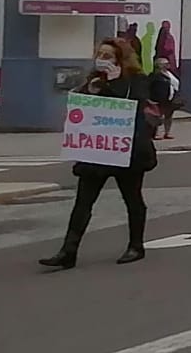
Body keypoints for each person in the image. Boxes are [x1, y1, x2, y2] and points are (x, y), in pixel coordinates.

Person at [38, 38, 161, 267]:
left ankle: (136, 246)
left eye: (108, 56)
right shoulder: (94, 79)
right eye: (100, 54)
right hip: (97, 151)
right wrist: (89, 90)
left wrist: (114, 83)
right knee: (83, 202)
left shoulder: (136, 79)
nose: (102, 59)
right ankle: (68, 251)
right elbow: (83, 108)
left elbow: (133, 104)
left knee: (132, 199)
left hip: (127, 151)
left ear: (120, 59)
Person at [154, 60, 181, 139]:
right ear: (159, 65)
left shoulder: (170, 73)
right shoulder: (156, 75)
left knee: (168, 116)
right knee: (159, 117)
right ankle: (157, 133)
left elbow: (175, 83)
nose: (167, 65)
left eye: (168, 63)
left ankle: (167, 132)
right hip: (160, 99)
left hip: (170, 98)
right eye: (165, 64)